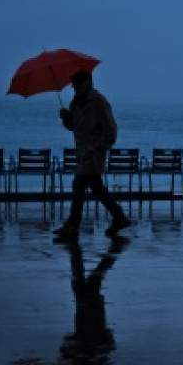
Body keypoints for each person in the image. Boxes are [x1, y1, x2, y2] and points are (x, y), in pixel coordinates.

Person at [53, 68, 132, 240]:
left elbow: (111, 133)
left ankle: (73, 226)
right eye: (73, 84)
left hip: (93, 156)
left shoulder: (99, 103)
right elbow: (74, 126)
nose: (73, 87)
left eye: (76, 84)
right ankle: (119, 217)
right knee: (97, 189)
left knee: (79, 186)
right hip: (82, 154)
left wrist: (94, 148)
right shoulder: (75, 103)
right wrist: (66, 118)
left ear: (86, 83)